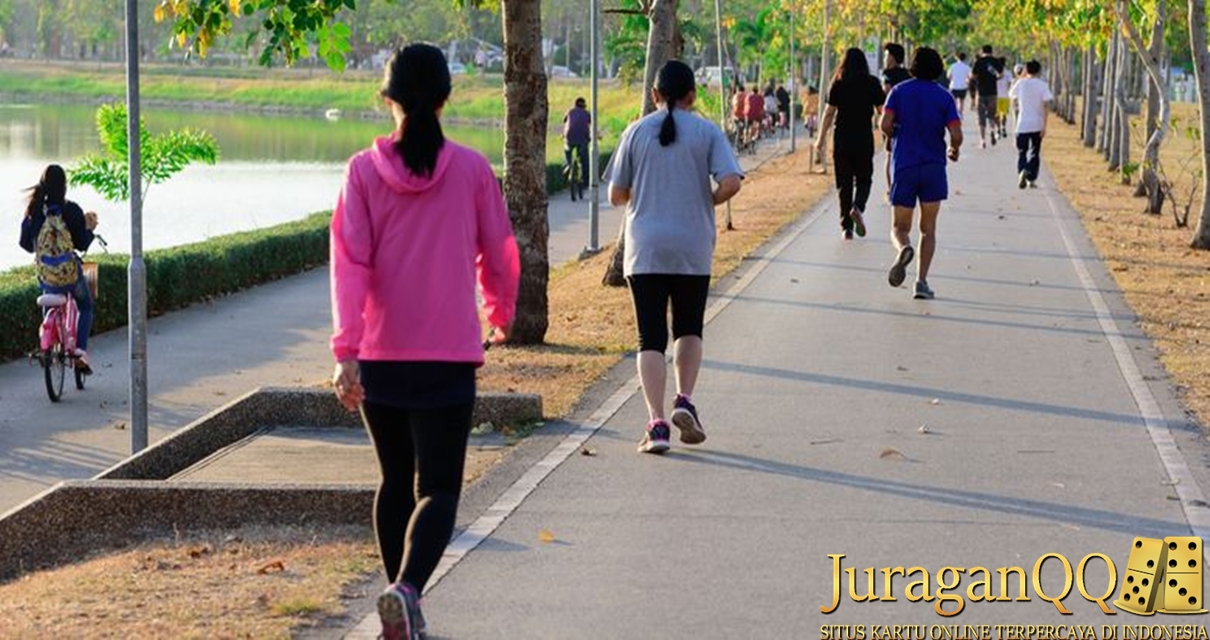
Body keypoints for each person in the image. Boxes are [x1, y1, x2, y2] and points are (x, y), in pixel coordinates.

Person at [329, 44, 520, 640]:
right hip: (448, 356)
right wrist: (500, 312)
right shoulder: (471, 170)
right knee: (436, 488)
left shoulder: (362, 171)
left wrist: (347, 350)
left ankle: (400, 606)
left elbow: (348, 264)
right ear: (445, 99)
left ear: (388, 100)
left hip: (382, 359)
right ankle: (406, 594)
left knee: (394, 481)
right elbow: (501, 250)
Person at [608, 59, 743, 455]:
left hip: (646, 247)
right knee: (688, 328)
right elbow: (732, 181)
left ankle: (656, 424)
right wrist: (708, 199)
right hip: (692, 245)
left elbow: (616, 194)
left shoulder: (635, 132)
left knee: (650, 336)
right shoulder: (706, 131)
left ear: (655, 95)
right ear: (692, 96)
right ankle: (684, 400)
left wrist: (645, 194)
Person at [880, 46, 963, 300]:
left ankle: (903, 248)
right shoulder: (945, 97)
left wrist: (893, 135)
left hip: (905, 164)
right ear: (938, 68)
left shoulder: (897, 91)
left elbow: (884, 124)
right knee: (928, 229)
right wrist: (954, 149)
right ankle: (921, 282)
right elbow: (956, 134)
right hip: (933, 167)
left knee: (898, 226)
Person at [19, 164, 99, 374]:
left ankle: (48, 340)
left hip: (47, 278)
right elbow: (81, 243)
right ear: (65, 186)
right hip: (70, 276)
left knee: (49, 289)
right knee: (86, 305)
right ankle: (80, 350)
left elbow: (25, 244)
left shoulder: (35, 212)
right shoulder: (71, 210)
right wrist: (89, 230)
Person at [815, 47, 886, 240]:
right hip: (863, 137)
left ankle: (846, 228)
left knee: (844, 183)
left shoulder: (837, 83)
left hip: (842, 138)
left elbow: (829, 113)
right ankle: (858, 207)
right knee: (865, 178)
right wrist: (889, 133)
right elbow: (882, 111)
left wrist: (820, 140)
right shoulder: (872, 83)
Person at [1009, 59, 1053, 189]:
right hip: (1037, 124)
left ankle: (1022, 170)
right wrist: (1044, 126)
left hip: (1022, 123)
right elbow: (1045, 106)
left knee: (1022, 152)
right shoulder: (1042, 85)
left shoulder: (1021, 83)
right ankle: (1031, 176)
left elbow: (1012, 95)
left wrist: (1021, 77)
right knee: (1035, 152)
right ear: (1039, 70)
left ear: (1026, 70)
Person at [881, 43, 911, 200]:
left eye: (886, 55)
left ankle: (891, 189)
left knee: (889, 154)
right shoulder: (908, 74)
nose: (885, 58)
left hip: (891, 119)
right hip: (908, 119)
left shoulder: (887, 74)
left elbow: (885, 93)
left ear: (892, 57)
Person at [971, 45, 1004, 148]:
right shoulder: (996, 61)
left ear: (982, 51)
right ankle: (993, 131)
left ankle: (983, 140)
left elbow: (973, 76)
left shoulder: (979, 62)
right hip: (993, 92)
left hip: (981, 92)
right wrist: (994, 79)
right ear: (991, 51)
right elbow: (1001, 75)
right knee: (992, 115)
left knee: (981, 117)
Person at [562, 96, 592, 198]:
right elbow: (590, 125)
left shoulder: (569, 111)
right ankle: (585, 180)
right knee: (584, 160)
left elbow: (565, 122)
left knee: (567, 151)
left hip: (569, 137)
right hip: (583, 138)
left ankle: (568, 165)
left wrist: (564, 134)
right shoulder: (587, 113)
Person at [996, 59, 1014, 139]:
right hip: (1005, 96)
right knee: (1004, 113)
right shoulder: (1008, 73)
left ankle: (998, 129)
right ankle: (1003, 127)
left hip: (996, 96)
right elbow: (1010, 83)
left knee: (996, 114)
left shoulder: (994, 72)